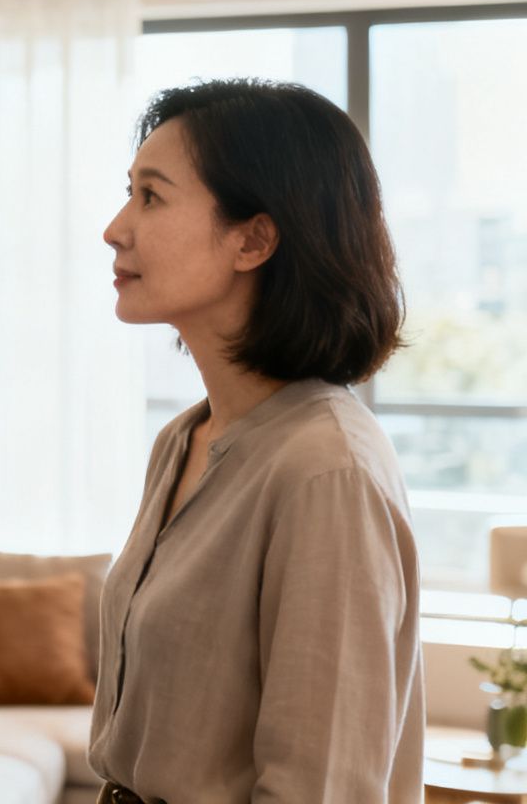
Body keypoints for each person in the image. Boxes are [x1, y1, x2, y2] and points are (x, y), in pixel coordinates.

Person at [88, 79, 423, 803]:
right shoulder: (183, 440)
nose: (116, 227)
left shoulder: (325, 470)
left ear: (254, 239)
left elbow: (321, 786)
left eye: (151, 196)